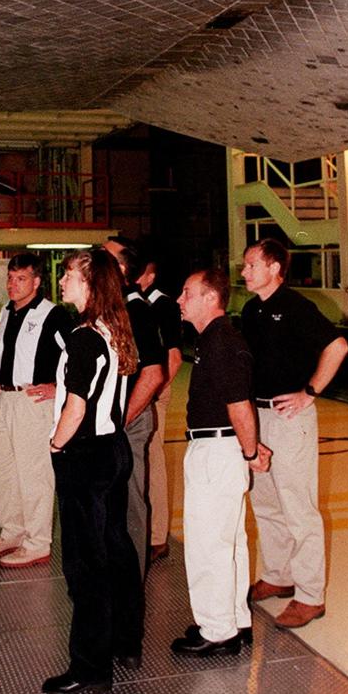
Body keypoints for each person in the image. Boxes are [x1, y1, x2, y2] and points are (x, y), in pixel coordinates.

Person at [43, 248, 144, 694]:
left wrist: (56, 443)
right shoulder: (114, 329)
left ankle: (90, 665)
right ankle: (125, 640)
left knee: (86, 564)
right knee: (116, 548)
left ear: (88, 283)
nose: (62, 283)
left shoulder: (84, 336)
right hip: (114, 449)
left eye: (67, 276)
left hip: (86, 456)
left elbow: (77, 405)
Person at [240, 238, 348, 629]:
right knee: (265, 500)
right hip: (259, 415)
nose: (244, 271)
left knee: (298, 506)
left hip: (289, 419)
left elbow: (337, 346)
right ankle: (278, 575)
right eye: (245, 265)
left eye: (251, 265)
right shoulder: (251, 311)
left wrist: (310, 393)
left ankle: (309, 596)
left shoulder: (297, 307)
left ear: (274, 269)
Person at [170, 269, 271, 657]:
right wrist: (248, 450)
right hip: (223, 450)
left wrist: (250, 452)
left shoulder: (220, 341)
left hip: (217, 452)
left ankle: (217, 631)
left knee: (208, 544)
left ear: (211, 298)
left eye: (187, 292)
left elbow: (238, 404)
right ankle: (234, 620)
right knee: (229, 542)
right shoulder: (217, 339)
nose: (180, 300)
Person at [0, 252, 73, 568]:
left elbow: (77, 356)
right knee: (3, 472)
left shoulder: (54, 315)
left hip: (32, 404)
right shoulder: (6, 311)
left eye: (20, 279)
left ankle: (37, 543)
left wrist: (57, 388)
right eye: (10, 277)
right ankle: (12, 533)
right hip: (4, 399)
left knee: (34, 474)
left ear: (36, 282)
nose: (12, 284)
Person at [103, 238, 165, 576]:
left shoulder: (136, 310)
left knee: (130, 502)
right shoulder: (108, 308)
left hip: (126, 422)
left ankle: (132, 575)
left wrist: (122, 419)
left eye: (105, 255)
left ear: (122, 270)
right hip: (108, 423)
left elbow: (154, 373)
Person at [136, 246, 183, 562]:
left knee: (152, 464)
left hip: (153, 393)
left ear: (149, 276)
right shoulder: (132, 304)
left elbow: (174, 357)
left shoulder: (162, 306)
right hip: (137, 390)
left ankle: (156, 537)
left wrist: (155, 394)